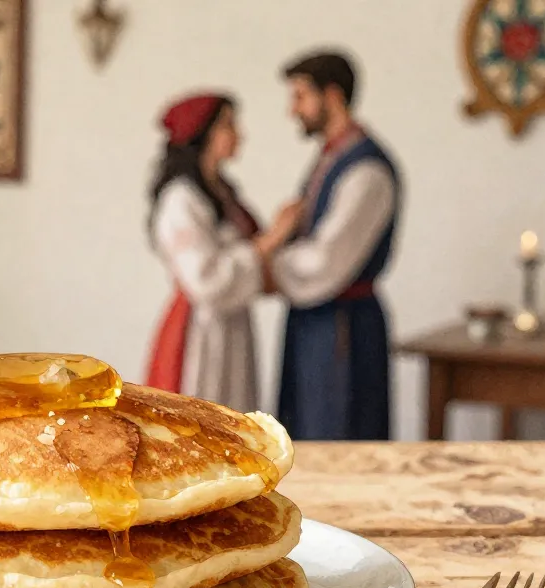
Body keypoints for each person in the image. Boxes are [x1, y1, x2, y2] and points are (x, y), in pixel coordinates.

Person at [255, 51, 402, 440]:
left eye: (301, 96)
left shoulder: (366, 170)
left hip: (343, 327)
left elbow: (328, 258)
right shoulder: (332, 157)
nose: (293, 110)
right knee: (304, 429)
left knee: (338, 431)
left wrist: (265, 267)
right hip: (315, 321)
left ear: (332, 96)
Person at [145, 93, 267, 413]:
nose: (239, 134)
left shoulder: (223, 193)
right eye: (228, 125)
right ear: (203, 134)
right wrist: (268, 244)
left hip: (231, 325)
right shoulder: (181, 199)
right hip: (200, 330)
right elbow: (205, 278)